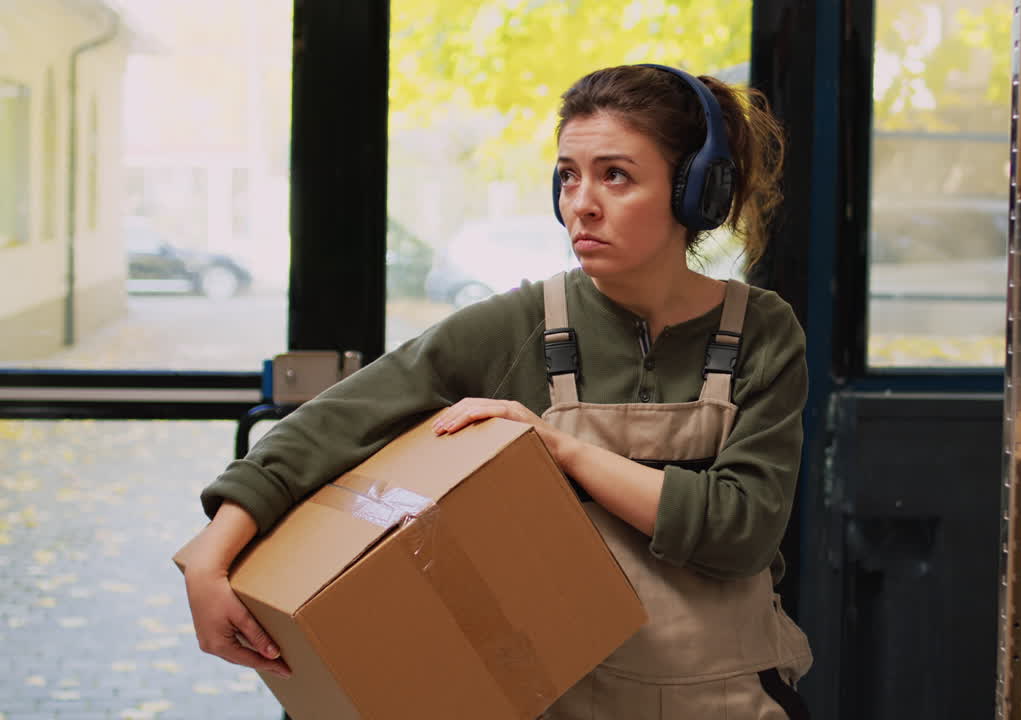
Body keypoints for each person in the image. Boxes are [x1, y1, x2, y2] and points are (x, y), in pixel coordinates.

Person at [179, 63, 812, 718]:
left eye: (614, 175)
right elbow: (327, 428)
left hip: (732, 698)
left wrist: (561, 451)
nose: (581, 202)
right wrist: (211, 559)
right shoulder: (519, 326)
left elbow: (742, 529)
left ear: (695, 193)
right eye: (568, 175)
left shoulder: (762, 331)